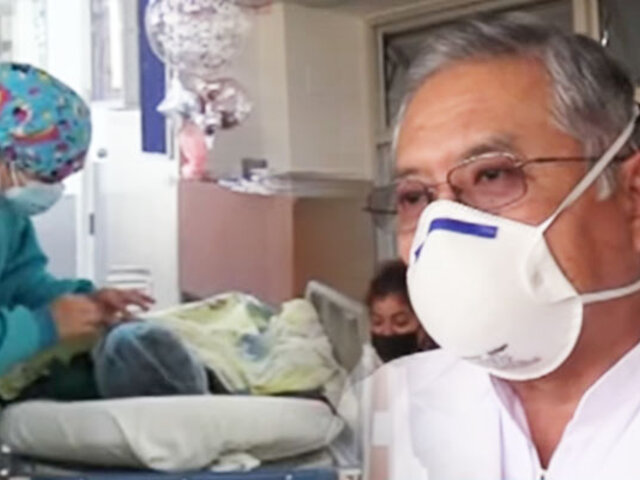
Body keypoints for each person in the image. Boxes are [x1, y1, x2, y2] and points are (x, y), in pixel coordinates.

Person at [365, 13, 640, 480]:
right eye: (415, 197)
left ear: (632, 197)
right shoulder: (397, 408)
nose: (446, 230)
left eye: (492, 175)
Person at [0, 62, 198, 401]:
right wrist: (43, 326)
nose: (48, 188)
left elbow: (19, 283)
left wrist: (83, 301)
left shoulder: (9, 213)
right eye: (42, 176)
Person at [365, 259, 435, 362]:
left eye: (400, 322)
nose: (387, 332)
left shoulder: (446, 363)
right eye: (377, 322)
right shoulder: (370, 362)